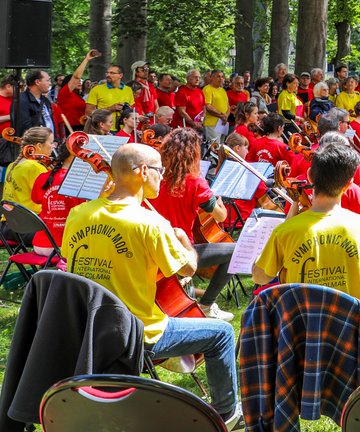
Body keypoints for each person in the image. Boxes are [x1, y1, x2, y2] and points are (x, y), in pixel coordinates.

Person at [61, 143, 242, 427]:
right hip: (137, 333)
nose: (163, 175)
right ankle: (227, 414)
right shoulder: (150, 222)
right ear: (144, 172)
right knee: (222, 333)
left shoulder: (79, 214)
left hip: (89, 328)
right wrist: (185, 243)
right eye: (160, 170)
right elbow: (188, 269)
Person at [252, 141, 360, 372]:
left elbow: (259, 277)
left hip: (303, 344)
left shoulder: (285, 232)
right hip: (354, 343)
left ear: (310, 175)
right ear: (349, 184)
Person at [149, 128, 237, 320]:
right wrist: (218, 200)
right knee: (236, 251)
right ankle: (206, 304)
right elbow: (221, 216)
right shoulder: (194, 182)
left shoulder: (152, 177)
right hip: (180, 250)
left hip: (150, 246)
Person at [4, 127, 53, 213]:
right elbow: (47, 199)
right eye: (51, 142)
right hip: (33, 221)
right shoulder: (35, 167)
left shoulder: (12, 165)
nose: (53, 146)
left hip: (10, 220)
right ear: (39, 146)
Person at [54, 51, 100, 137]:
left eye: (80, 81)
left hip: (81, 128)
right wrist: (86, 59)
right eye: (77, 81)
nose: (79, 82)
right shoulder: (64, 93)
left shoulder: (78, 96)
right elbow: (76, 77)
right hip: (68, 129)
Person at [13, 68, 56, 138]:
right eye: (48, 80)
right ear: (37, 82)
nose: (50, 83)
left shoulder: (46, 101)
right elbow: (25, 128)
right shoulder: (22, 101)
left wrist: (55, 140)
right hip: (35, 145)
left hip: (49, 143)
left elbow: (50, 122)